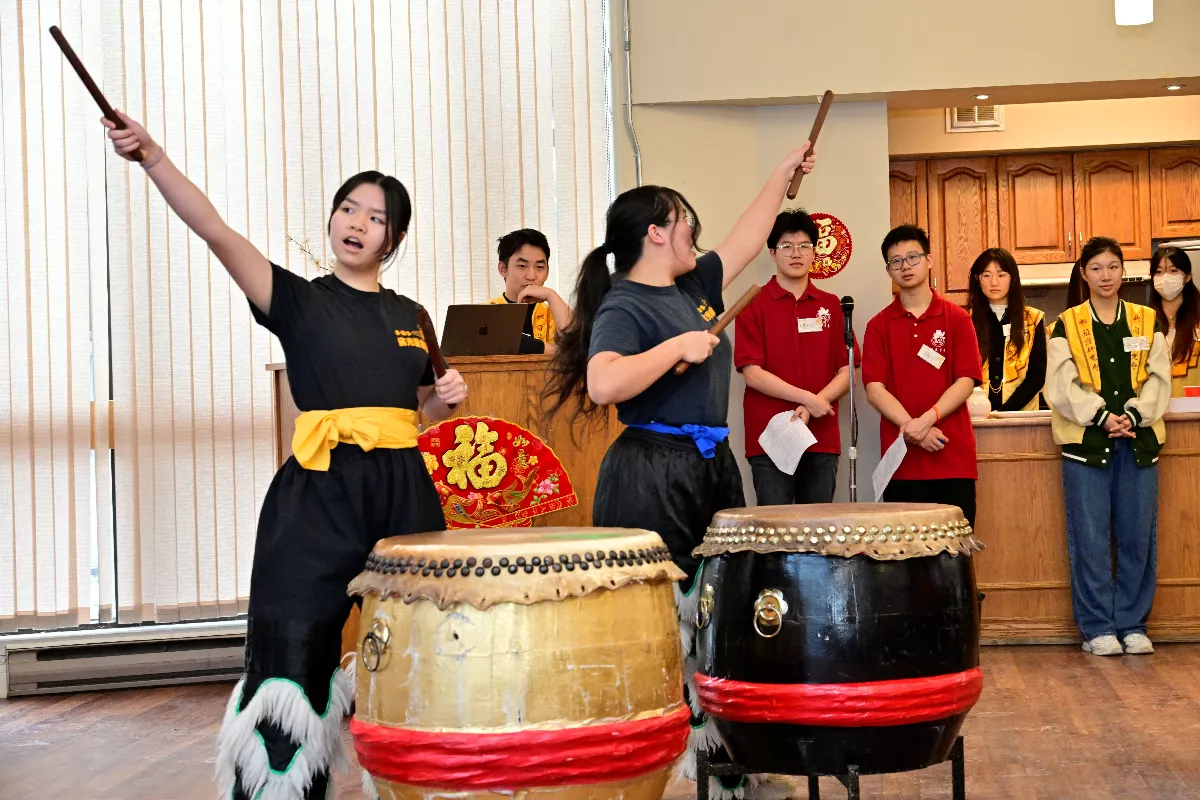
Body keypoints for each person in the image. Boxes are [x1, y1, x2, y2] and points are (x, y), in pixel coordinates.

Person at [103, 112, 467, 799]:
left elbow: (421, 405)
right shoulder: (296, 299)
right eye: (347, 208)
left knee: (426, 648)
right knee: (292, 643)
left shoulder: (412, 315)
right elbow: (214, 229)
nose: (357, 222)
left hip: (404, 494)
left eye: (377, 216)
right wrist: (152, 156)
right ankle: (277, 787)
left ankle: (426, 783)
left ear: (396, 237)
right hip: (318, 494)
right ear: (332, 219)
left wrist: (447, 397)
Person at [543, 144, 814, 800]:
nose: (696, 228)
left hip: (710, 464)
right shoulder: (624, 304)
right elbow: (604, 383)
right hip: (651, 471)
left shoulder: (695, 284)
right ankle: (649, 771)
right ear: (658, 231)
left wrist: (782, 174)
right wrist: (675, 348)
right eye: (685, 219)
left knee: (723, 622)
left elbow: (748, 238)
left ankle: (724, 770)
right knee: (662, 628)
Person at [1045, 236, 1170, 657]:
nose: (1105, 275)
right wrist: (1101, 415)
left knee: (1138, 537)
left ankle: (1133, 623)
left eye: (1113, 266)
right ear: (1083, 273)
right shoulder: (1065, 323)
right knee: (1091, 540)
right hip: (1087, 445)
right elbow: (1060, 384)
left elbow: (1158, 377)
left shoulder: (1146, 320)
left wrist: (1134, 414)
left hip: (1139, 442)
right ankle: (1098, 627)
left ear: (1123, 271)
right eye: (1096, 267)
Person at [735, 209, 859, 504]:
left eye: (804, 245)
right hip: (770, 435)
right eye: (786, 246)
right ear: (772, 253)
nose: (796, 253)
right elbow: (751, 372)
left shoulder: (832, 306)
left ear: (815, 252)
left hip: (821, 435)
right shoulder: (753, 305)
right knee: (774, 531)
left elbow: (848, 369)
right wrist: (809, 399)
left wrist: (817, 403)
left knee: (817, 531)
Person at [862, 225, 983, 525]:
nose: (906, 267)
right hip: (901, 461)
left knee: (954, 553)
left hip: (952, 458)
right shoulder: (878, 325)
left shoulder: (957, 318)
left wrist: (926, 422)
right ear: (888, 270)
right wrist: (912, 429)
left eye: (913, 257)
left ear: (929, 260)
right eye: (896, 261)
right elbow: (874, 388)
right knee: (905, 556)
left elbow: (966, 380)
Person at [967, 248, 1047, 412]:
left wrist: (1005, 411)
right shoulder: (966, 320)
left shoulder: (1033, 319)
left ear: (1013, 279)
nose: (994, 282)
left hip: (1022, 417)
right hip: (976, 416)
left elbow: (1037, 377)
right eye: (986, 275)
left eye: (1001, 275)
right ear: (978, 279)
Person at [488, 228, 572, 355]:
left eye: (540, 267)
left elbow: (581, 347)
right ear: (503, 269)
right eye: (522, 266)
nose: (531, 276)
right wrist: (556, 350)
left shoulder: (555, 315)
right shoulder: (485, 313)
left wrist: (551, 295)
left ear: (547, 272)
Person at [1147, 246, 1200, 396]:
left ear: (1187, 276)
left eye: (1173, 271)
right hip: (1154, 411)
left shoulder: (1198, 320)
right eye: (1158, 272)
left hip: (1192, 408)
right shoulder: (1143, 321)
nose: (1165, 277)